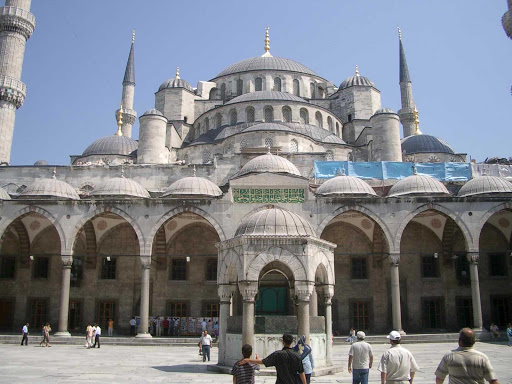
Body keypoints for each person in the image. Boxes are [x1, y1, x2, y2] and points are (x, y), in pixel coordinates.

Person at [435, 328, 500, 384]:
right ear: (474, 341)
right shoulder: (482, 358)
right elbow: (493, 381)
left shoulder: (449, 356)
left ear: (459, 341)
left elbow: (439, 378)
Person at [239, 334, 307, 384]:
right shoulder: (297, 356)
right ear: (292, 342)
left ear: (283, 342)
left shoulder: (278, 354)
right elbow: (301, 372)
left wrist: (248, 360)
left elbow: (263, 361)